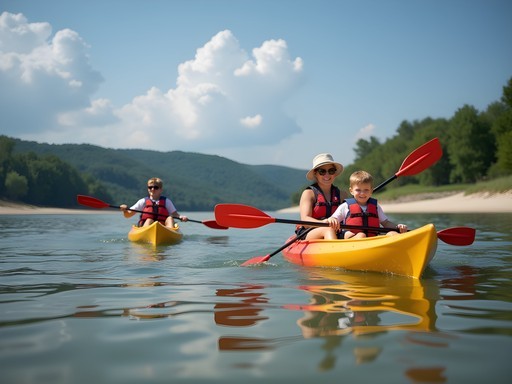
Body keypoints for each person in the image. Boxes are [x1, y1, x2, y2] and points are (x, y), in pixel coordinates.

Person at [327, 170, 407, 238]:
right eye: (358, 190)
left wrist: (397, 227)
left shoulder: (375, 206)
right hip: (352, 238)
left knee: (392, 234)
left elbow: (385, 223)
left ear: (371, 191)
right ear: (351, 191)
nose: (362, 193)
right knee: (361, 235)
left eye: (366, 190)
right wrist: (332, 219)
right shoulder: (345, 206)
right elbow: (333, 219)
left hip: (371, 239)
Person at [296, 153, 346, 240]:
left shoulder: (342, 194)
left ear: (334, 173)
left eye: (331, 171)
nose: (327, 175)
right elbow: (305, 220)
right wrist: (323, 222)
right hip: (309, 232)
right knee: (328, 229)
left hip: (335, 231)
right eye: (322, 171)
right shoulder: (308, 193)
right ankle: (335, 251)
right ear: (315, 174)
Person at [120, 177, 188, 228]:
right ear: (148, 189)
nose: (152, 189)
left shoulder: (166, 201)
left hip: (163, 228)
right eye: (150, 187)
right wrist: (125, 210)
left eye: (156, 187)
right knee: (149, 219)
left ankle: (170, 233)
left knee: (170, 218)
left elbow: (175, 214)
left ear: (161, 190)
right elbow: (128, 215)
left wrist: (181, 217)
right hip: (147, 227)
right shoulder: (143, 201)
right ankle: (146, 234)